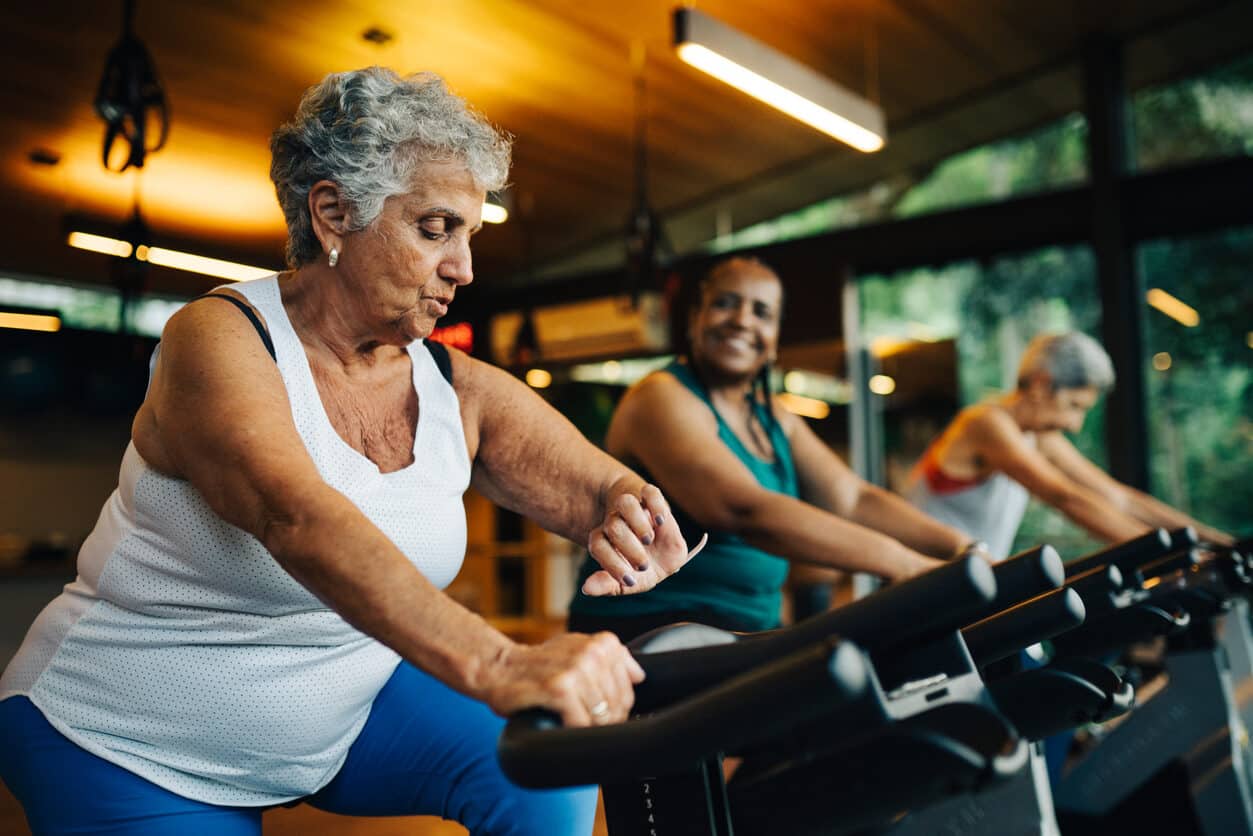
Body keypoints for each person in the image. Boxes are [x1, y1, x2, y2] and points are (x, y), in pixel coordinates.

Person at [0, 68, 699, 836]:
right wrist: (502, 662)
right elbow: (295, 517)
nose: (463, 267)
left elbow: (588, 486)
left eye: (470, 234)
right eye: (435, 228)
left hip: (341, 712)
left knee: (547, 756)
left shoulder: (450, 383)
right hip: (123, 739)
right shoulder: (220, 339)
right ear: (333, 213)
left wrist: (629, 512)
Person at [568, 256, 981, 642]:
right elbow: (744, 509)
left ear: (775, 338)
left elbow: (853, 498)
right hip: (655, 631)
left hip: (747, 630)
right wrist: (903, 565)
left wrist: (962, 547)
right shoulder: (660, 397)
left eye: (761, 312)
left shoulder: (773, 416)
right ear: (695, 319)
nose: (742, 320)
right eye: (726, 304)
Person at [905, 331, 1233, 559]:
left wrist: (1218, 543)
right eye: (1075, 406)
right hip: (922, 586)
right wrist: (1171, 555)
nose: (1075, 425)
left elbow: (1121, 499)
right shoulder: (984, 423)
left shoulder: (1038, 436)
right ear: (1041, 384)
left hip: (965, 583)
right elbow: (1065, 497)